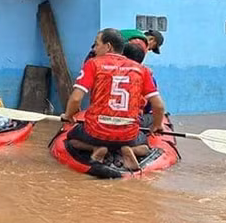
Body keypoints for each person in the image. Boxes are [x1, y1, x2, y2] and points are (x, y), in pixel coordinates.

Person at [64, 28, 165, 171]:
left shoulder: (93, 63)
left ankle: (97, 147)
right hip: (127, 135)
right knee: (145, 146)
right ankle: (126, 149)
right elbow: (159, 106)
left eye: (97, 44)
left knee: (71, 139)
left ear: (108, 46)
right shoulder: (142, 70)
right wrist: (157, 125)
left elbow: (75, 99)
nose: (94, 48)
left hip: (95, 132)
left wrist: (68, 115)